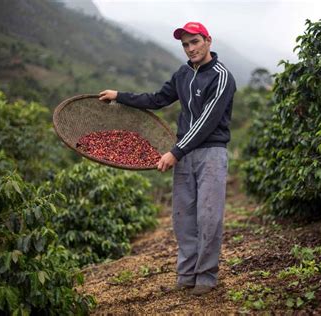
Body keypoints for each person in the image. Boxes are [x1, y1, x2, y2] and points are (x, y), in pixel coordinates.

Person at [99, 21, 236, 296]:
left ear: (208, 40)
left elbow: (207, 122)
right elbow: (157, 98)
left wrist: (175, 151)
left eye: (195, 42)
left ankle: (206, 276)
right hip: (184, 153)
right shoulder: (183, 74)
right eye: (185, 44)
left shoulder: (222, 77)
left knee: (208, 217)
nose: (190, 48)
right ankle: (186, 275)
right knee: (183, 217)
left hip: (210, 153)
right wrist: (120, 97)